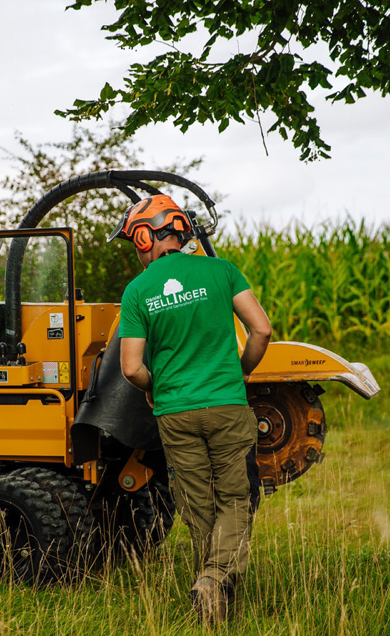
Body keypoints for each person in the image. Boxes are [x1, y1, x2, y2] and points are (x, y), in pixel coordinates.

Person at [109, 194, 272, 625]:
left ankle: (212, 588)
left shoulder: (138, 291)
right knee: (236, 498)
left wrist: (155, 386)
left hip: (175, 413)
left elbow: (130, 368)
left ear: (145, 235)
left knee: (198, 502)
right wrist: (240, 373)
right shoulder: (223, 271)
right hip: (226, 404)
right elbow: (261, 329)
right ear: (180, 231)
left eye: (134, 240)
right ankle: (216, 581)